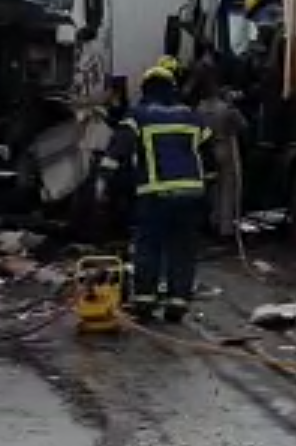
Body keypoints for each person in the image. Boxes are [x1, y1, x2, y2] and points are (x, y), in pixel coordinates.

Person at [99, 64, 214, 323]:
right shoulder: (191, 116)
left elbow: (119, 148)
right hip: (190, 196)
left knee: (149, 247)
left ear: (146, 89)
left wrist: (104, 182)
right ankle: (177, 304)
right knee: (182, 249)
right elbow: (210, 159)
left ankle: (145, 303)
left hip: (155, 195)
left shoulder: (139, 115)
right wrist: (207, 191)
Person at [196, 72, 248, 241]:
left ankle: (211, 221)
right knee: (228, 189)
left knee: (211, 189)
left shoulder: (199, 108)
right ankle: (225, 229)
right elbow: (243, 125)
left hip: (206, 151)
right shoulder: (226, 108)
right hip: (225, 147)